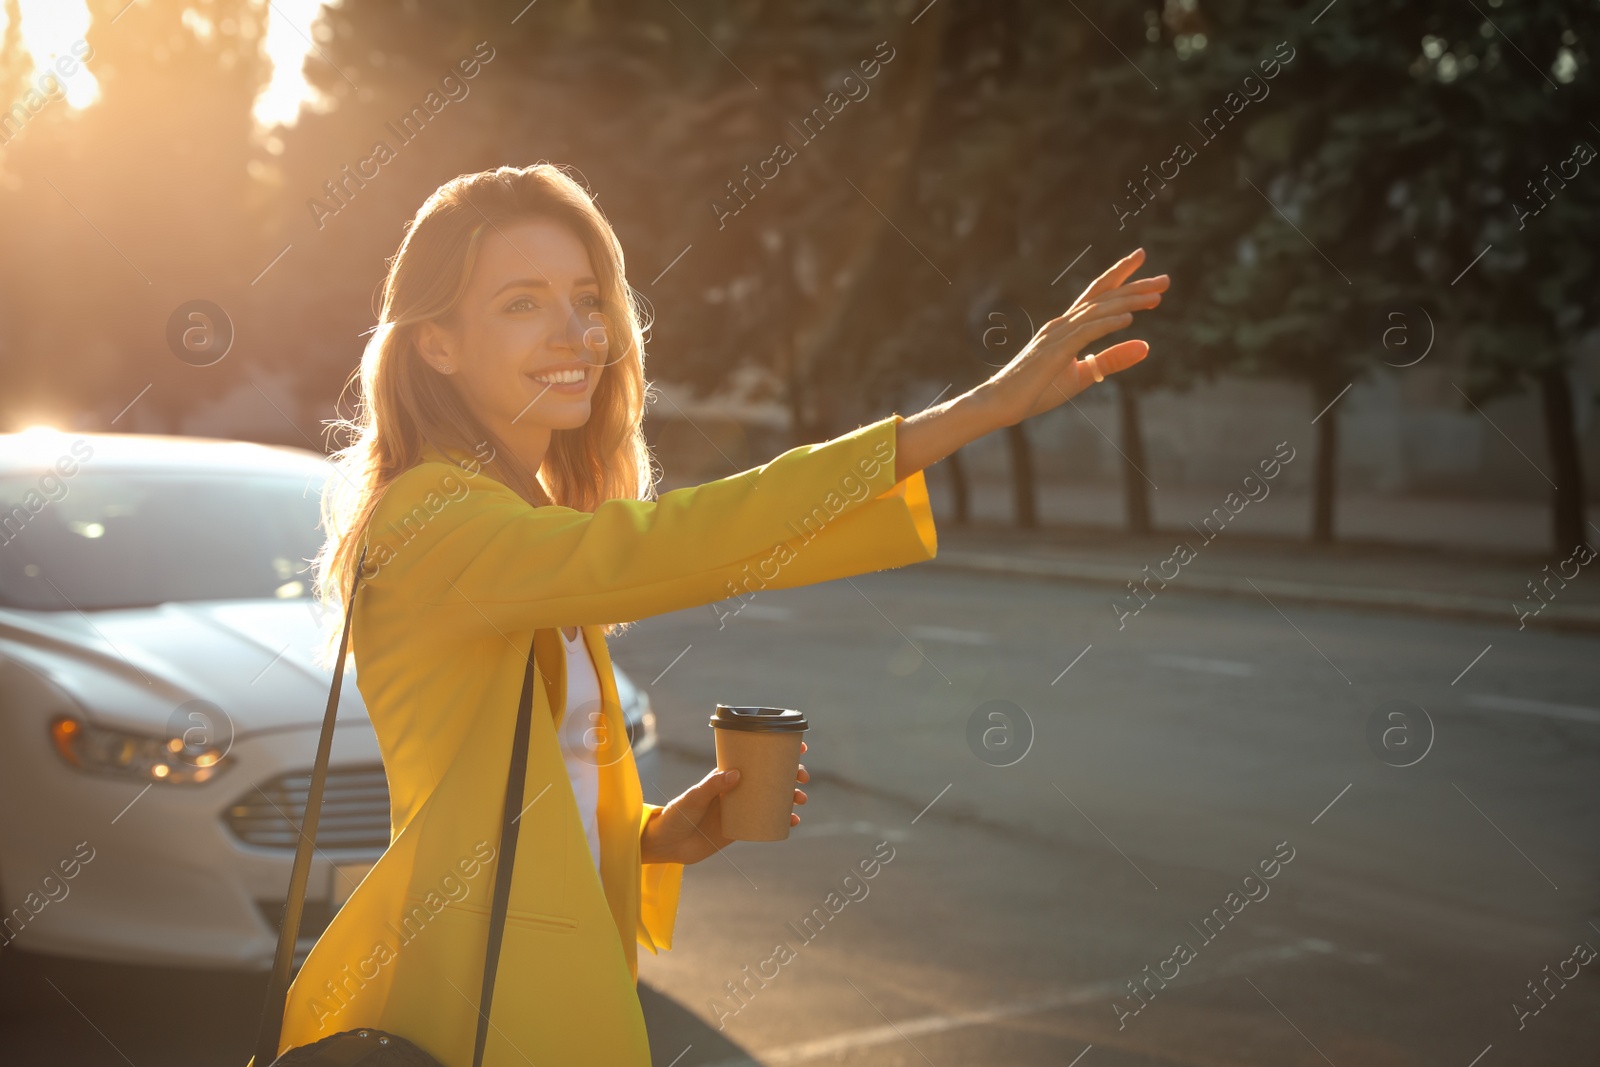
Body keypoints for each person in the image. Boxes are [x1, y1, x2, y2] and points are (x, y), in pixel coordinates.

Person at [290, 163, 1165, 1064]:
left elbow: (512, 793)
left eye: (587, 299)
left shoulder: (519, 516)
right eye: (522, 303)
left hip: (542, 983)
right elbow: (680, 541)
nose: (577, 333)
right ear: (436, 343)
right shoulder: (431, 515)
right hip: (479, 1001)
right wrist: (979, 409)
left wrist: (654, 835)